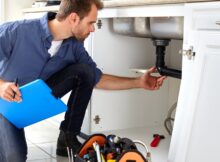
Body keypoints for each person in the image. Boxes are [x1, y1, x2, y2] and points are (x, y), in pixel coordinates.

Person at [0, 0, 166, 161]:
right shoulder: (18, 31)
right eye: (90, 23)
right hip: (4, 105)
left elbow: (96, 78)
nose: (93, 29)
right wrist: (1, 85)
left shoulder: (74, 47)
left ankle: (67, 140)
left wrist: (139, 82)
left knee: (84, 72)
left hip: (33, 100)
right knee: (14, 157)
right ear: (73, 18)